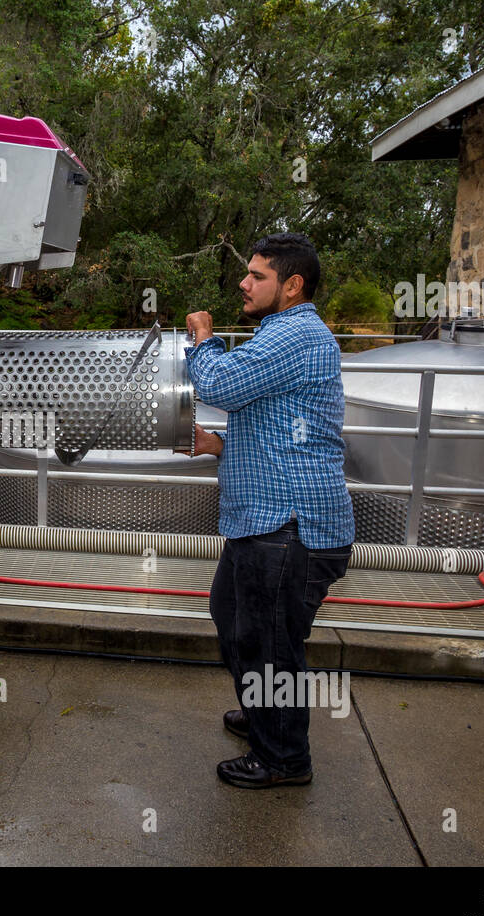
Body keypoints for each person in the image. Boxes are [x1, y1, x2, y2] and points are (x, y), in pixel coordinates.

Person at [180, 232, 354, 789]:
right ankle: (265, 717)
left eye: (257, 275)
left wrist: (203, 339)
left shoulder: (295, 333)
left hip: (289, 529)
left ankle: (282, 759)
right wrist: (218, 447)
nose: (244, 282)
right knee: (234, 619)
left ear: (292, 285)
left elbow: (220, 384)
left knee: (272, 649)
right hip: (267, 522)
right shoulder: (282, 335)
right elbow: (282, 436)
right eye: (247, 273)